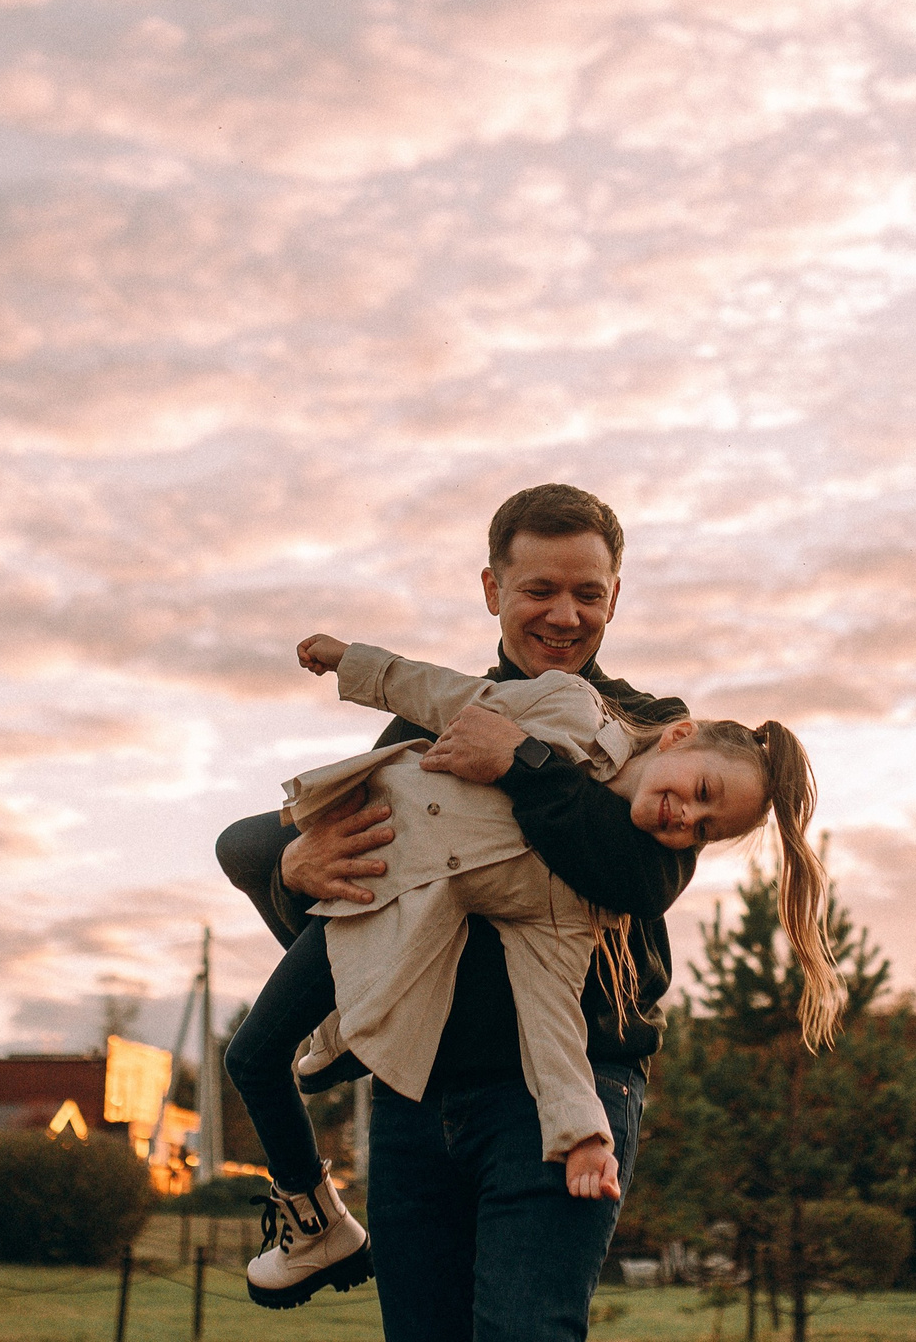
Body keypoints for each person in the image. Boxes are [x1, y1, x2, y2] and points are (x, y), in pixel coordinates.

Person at [211, 485, 697, 1340]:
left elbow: (638, 877)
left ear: (616, 596)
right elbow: (370, 902)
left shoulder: (652, 732)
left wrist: (523, 761)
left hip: (566, 1086)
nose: (564, 614)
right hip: (416, 1095)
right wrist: (293, 868)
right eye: (538, 589)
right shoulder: (419, 722)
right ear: (490, 590)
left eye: (589, 593)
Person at [225, 632, 839, 1308]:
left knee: (252, 1057)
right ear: (678, 736)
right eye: (701, 791)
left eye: (705, 829)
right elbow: (454, 696)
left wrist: (581, 1135)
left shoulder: (583, 890)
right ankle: (351, 1035)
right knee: (243, 853)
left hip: (385, 905)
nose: (685, 816)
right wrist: (354, 661)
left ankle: (319, 1222)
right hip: (364, 839)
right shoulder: (572, 707)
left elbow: (552, 1010)